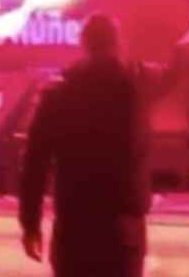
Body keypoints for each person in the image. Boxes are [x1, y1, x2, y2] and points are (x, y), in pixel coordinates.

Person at [19, 14, 151, 277]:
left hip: (75, 223)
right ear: (117, 43)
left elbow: (35, 162)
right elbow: (174, 73)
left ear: (83, 43)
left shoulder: (58, 94)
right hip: (123, 224)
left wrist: (30, 223)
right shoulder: (136, 87)